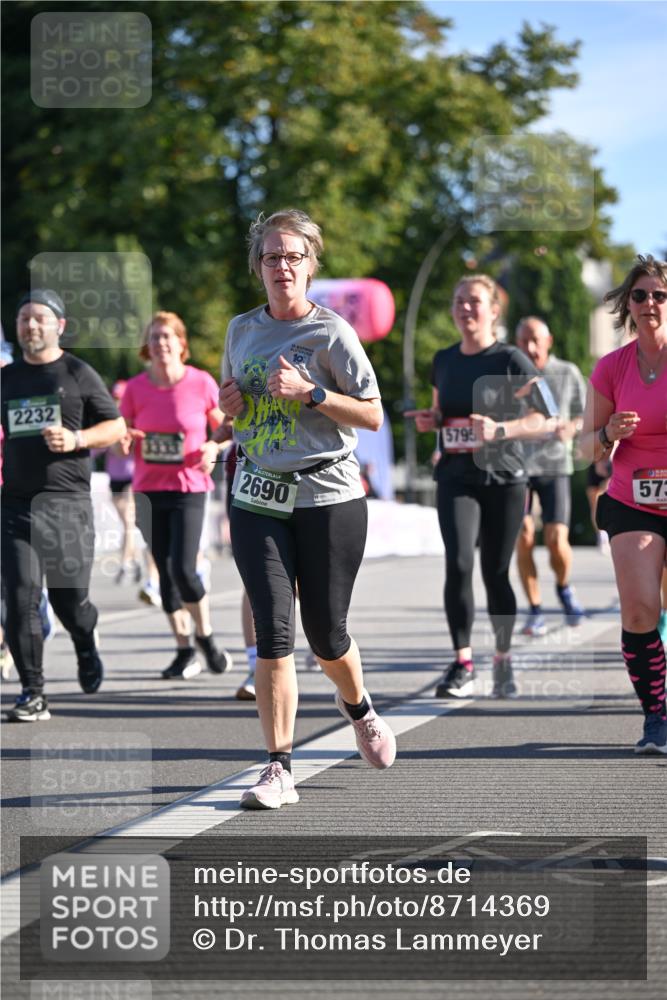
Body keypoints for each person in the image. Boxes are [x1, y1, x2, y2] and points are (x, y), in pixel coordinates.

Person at [220, 208, 396, 809]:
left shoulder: (333, 334)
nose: (282, 266)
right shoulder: (241, 330)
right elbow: (239, 413)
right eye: (272, 256)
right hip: (257, 494)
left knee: (326, 635)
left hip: (328, 496)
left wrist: (312, 393)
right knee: (273, 632)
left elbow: (371, 414)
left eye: (293, 256)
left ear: (311, 265)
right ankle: (278, 768)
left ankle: (360, 708)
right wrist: (231, 407)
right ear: (258, 267)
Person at [407, 274, 549, 699]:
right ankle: (462, 662)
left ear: (493, 310)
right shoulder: (444, 359)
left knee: (495, 571)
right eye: (458, 302)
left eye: (473, 301)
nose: (465, 309)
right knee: (460, 564)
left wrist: (501, 429)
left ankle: (503, 658)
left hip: (504, 478)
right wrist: (433, 422)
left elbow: (546, 418)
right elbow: (441, 411)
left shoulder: (511, 359)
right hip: (455, 475)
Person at [1, 289, 125, 721]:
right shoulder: (7, 377)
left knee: (70, 601)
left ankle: (85, 640)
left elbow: (115, 425)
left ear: (60, 325)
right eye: (23, 319)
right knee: (19, 600)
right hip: (16, 506)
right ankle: (33, 692)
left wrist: (77, 439)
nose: (30, 325)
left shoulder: (77, 372)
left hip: (68, 506)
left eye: (39, 318)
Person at [579, 254, 667, 754]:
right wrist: (607, 433)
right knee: (639, 612)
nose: (649, 303)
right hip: (633, 500)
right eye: (640, 295)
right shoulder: (612, 367)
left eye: (659, 295)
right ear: (626, 305)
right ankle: (656, 714)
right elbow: (583, 447)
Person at [119, 311, 233, 680]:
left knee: (184, 568)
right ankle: (184, 650)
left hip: (189, 487)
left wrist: (213, 448)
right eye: (154, 337)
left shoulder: (200, 383)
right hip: (149, 490)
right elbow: (122, 436)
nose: (161, 343)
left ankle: (206, 635)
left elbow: (228, 426)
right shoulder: (136, 389)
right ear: (146, 347)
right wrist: (125, 440)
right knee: (165, 577)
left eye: (167, 336)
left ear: (181, 344)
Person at [514, 316, 587, 635]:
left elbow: (589, 411)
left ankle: (564, 587)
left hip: (555, 464)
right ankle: (534, 609)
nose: (530, 347)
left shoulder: (567, 372)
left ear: (549, 341)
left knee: (557, 540)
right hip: (517, 465)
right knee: (524, 534)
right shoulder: (510, 373)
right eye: (523, 341)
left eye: (535, 340)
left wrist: (572, 427)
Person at [586, 458, 612, 555]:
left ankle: (607, 535)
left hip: (611, 464)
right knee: (595, 505)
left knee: (606, 503)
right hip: (595, 465)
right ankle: (602, 536)